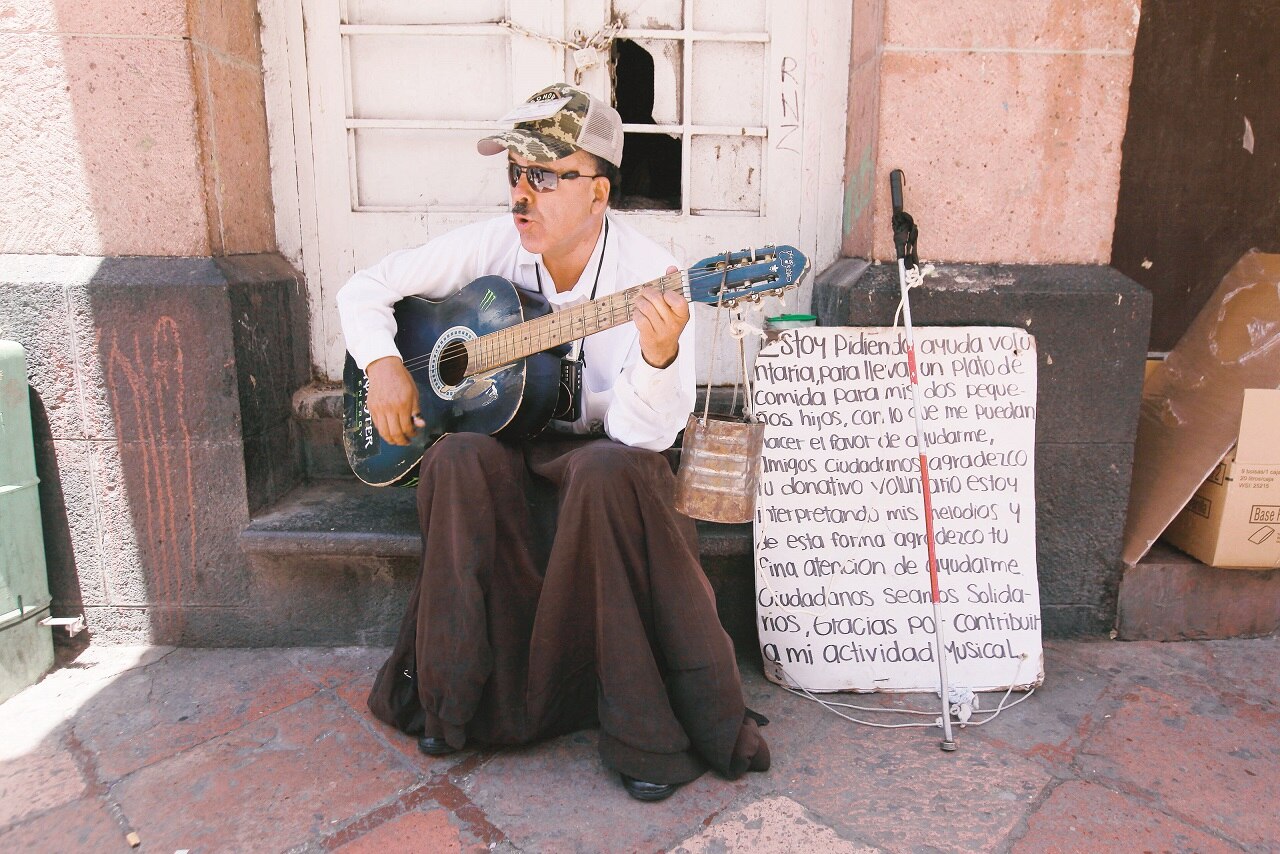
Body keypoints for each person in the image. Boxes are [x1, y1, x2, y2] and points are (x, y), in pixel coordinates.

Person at [336, 83, 769, 802]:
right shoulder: (491, 244)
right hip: (509, 446)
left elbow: (643, 437)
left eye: (544, 176)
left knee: (610, 474)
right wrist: (384, 364)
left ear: (598, 195)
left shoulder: (652, 276)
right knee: (456, 456)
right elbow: (366, 290)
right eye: (514, 174)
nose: (520, 195)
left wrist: (658, 359)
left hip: (604, 457)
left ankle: (640, 728)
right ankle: (455, 701)